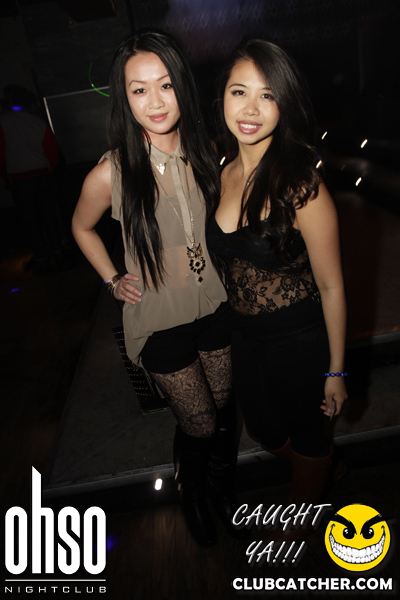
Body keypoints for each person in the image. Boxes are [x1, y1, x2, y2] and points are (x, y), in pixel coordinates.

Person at [72, 29, 245, 546]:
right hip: (161, 320)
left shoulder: (207, 150)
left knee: (222, 412)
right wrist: (111, 279)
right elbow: (81, 227)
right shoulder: (111, 171)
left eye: (165, 84)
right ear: (124, 98)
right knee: (198, 422)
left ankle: (219, 484)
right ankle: (191, 492)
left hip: (216, 306)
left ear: (182, 85)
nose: (155, 101)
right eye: (139, 89)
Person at [207, 39, 348, 539]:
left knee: (307, 435)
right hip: (244, 335)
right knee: (265, 431)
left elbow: (331, 285)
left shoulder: (301, 185)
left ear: (284, 103)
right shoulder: (221, 173)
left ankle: (300, 523)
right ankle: (321, 465)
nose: (250, 109)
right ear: (222, 97)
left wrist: (336, 370)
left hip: (300, 337)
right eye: (239, 92)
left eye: (267, 95)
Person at [0, 85, 67, 271]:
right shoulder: (37, 121)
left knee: (30, 218)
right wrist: (49, 169)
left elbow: (1, 151)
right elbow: (52, 150)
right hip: (42, 173)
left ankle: (41, 256)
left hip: (20, 176)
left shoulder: (3, 122)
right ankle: (57, 250)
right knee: (49, 214)